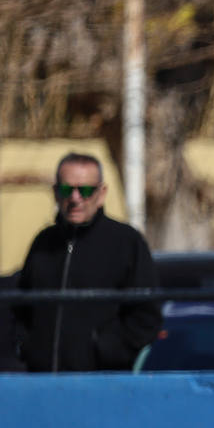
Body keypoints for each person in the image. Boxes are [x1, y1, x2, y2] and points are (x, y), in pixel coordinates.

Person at [1, 152, 160, 372]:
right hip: (42, 380)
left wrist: (107, 350)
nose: (75, 198)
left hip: (99, 382)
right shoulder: (43, 243)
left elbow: (147, 315)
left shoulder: (126, 242)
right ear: (55, 192)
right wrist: (26, 346)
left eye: (85, 190)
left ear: (101, 193)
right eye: (67, 190)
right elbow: (23, 305)